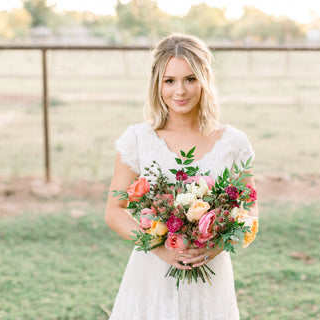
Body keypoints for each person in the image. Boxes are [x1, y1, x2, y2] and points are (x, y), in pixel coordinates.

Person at [105, 33, 259, 320]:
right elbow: (114, 211)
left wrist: (218, 245)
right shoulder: (137, 139)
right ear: (157, 84)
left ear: (205, 79)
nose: (180, 91)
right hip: (152, 274)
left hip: (211, 280)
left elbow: (249, 209)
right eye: (170, 81)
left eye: (190, 79)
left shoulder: (233, 142)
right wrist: (159, 248)